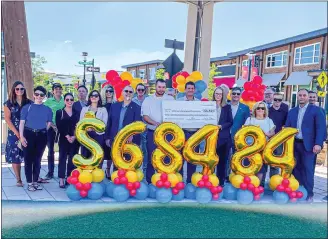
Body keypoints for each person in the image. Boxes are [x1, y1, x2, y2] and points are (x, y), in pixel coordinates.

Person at [285, 89, 326, 203]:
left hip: (309, 146)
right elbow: (287, 128)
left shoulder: (316, 110)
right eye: (300, 95)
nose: (302, 97)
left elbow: (321, 128)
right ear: (297, 97)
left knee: (308, 169)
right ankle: (298, 191)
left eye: (304, 95)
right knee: (296, 169)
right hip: (294, 144)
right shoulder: (292, 111)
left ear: (308, 97)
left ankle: (309, 194)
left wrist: (318, 144)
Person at [19, 86, 53, 191]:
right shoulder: (27, 108)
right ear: (33, 95)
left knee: (37, 160)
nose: (39, 96)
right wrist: (21, 137)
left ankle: (35, 181)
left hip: (41, 135)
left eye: (41, 95)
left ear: (44, 97)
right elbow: (22, 123)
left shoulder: (48, 109)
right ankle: (29, 183)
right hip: (28, 134)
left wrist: (41, 131)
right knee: (28, 160)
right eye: (37, 94)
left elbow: (48, 124)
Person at [142, 79, 175, 183]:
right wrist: (155, 123)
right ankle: (150, 181)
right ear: (155, 87)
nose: (161, 89)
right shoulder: (148, 100)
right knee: (152, 157)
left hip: (167, 134)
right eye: (159, 87)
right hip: (153, 133)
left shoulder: (171, 99)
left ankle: (165, 180)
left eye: (163, 87)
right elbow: (145, 116)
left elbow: (175, 113)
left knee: (167, 157)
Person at [106, 86, 141, 172]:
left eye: (130, 92)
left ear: (133, 94)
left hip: (129, 141)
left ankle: (127, 181)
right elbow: (109, 123)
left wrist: (131, 135)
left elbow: (137, 125)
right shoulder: (114, 106)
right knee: (116, 162)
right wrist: (107, 138)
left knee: (128, 163)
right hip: (115, 139)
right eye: (126, 91)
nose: (128, 93)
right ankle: (116, 182)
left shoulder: (137, 108)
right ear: (122, 92)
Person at [4, 81, 32, 187]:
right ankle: (19, 179)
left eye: (22, 89)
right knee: (16, 157)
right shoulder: (8, 103)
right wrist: (18, 134)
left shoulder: (29, 103)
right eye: (17, 89)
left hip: (27, 132)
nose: (19, 91)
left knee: (29, 156)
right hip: (14, 133)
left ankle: (32, 178)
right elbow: (7, 119)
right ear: (14, 90)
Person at [245, 101, 275, 184]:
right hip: (250, 147)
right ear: (255, 109)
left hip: (263, 148)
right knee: (249, 166)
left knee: (261, 168)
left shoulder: (269, 120)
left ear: (265, 110)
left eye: (263, 108)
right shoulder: (250, 119)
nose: (260, 110)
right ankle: (249, 185)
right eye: (258, 108)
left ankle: (257, 186)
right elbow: (244, 132)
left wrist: (264, 133)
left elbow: (272, 134)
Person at [177, 81, 200, 183]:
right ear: (185, 90)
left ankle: (190, 182)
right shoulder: (178, 101)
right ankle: (180, 180)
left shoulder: (199, 103)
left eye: (192, 88)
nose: (190, 90)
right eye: (188, 88)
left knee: (192, 159)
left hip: (195, 134)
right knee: (180, 158)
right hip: (182, 133)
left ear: (194, 90)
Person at [56, 93, 79, 188]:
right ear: (64, 101)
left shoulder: (77, 112)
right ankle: (61, 179)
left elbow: (78, 125)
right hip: (64, 139)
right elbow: (59, 125)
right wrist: (67, 136)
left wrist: (74, 136)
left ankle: (69, 178)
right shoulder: (59, 112)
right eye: (67, 99)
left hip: (74, 139)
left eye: (71, 99)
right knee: (62, 158)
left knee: (72, 159)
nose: (69, 101)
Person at [80, 90, 108, 165]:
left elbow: (104, 123)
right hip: (86, 135)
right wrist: (87, 128)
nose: (94, 97)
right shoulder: (84, 109)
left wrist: (94, 128)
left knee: (98, 156)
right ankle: (85, 173)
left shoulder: (103, 109)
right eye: (92, 96)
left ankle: (97, 174)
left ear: (99, 98)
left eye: (96, 96)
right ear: (89, 98)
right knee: (85, 155)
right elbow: (81, 122)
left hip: (98, 135)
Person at [43, 83, 65, 180]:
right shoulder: (47, 102)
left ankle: (62, 172)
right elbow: (44, 115)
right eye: (56, 89)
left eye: (60, 89)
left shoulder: (65, 101)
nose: (58, 90)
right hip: (51, 129)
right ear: (52, 91)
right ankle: (50, 172)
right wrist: (52, 125)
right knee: (51, 151)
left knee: (62, 151)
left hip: (62, 129)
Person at [213, 86, 233, 186]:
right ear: (214, 94)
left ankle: (220, 183)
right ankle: (210, 182)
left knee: (222, 163)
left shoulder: (227, 107)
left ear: (223, 95)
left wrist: (221, 126)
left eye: (220, 94)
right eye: (216, 93)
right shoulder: (208, 106)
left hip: (223, 139)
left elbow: (230, 122)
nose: (218, 96)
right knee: (210, 162)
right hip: (211, 139)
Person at [132, 83, 148, 175]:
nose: (140, 91)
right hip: (136, 128)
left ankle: (145, 170)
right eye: (139, 90)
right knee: (135, 149)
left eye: (142, 90)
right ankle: (135, 168)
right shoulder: (133, 101)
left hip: (146, 127)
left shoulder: (148, 100)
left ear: (144, 91)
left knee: (145, 150)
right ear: (136, 90)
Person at [101, 84, 116, 178]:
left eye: (111, 91)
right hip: (102, 131)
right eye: (107, 91)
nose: (109, 93)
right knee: (102, 152)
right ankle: (99, 171)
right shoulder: (101, 105)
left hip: (112, 131)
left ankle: (108, 170)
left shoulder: (117, 104)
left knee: (111, 153)